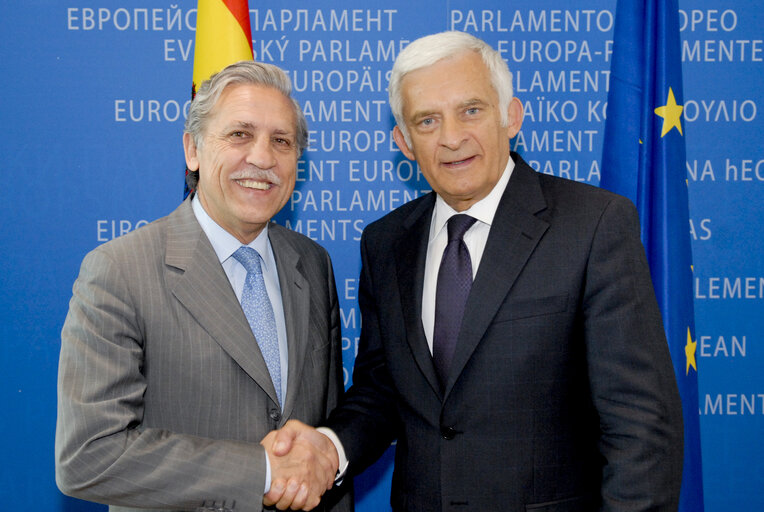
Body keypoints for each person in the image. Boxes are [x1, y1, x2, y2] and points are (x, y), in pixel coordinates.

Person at [265, 31, 684, 511]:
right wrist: (329, 448)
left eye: (471, 110)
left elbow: (641, 424)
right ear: (403, 142)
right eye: (427, 120)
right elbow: (384, 387)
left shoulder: (592, 225)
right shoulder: (386, 242)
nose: (451, 137)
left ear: (511, 116)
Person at [55, 61, 352, 512]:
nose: (262, 158)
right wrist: (263, 471)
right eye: (239, 135)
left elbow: (318, 437)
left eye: (281, 141)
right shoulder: (119, 271)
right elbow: (88, 456)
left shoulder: (312, 264)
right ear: (193, 150)